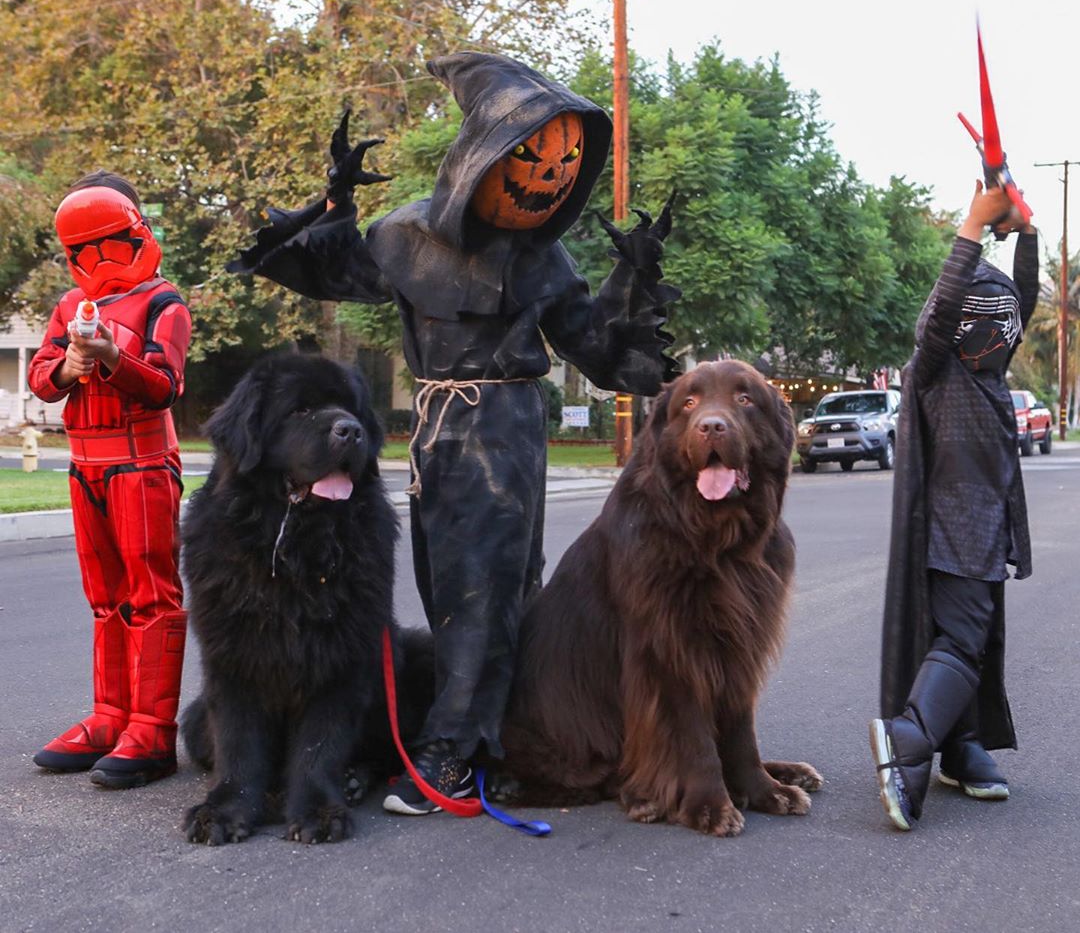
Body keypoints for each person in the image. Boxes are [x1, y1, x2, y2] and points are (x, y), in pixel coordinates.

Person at [227, 52, 680, 815]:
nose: (553, 172)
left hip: (502, 429)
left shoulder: (543, 258)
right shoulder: (406, 235)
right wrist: (332, 207)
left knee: (487, 594)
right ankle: (500, 732)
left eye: (569, 156)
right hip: (436, 431)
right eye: (534, 151)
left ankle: (455, 751)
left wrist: (630, 284)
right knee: (447, 591)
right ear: (483, 158)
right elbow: (332, 269)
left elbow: (601, 351)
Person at [870, 180, 1038, 830]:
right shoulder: (939, 371)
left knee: (973, 640)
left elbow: (1021, 292)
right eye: (982, 317)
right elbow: (942, 312)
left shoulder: (993, 376)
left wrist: (1024, 229)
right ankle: (908, 739)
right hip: (953, 530)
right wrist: (972, 224)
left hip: (988, 532)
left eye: (1004, 319)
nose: (998, 327)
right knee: (964, 642)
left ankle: (960, 748)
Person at [28, 171, 192, 789]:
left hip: (143, 464)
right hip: (87, 465)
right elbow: (41, 377)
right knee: (106, 598)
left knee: (151, 594)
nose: (100, 262)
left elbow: (164, 386)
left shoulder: (163, 302)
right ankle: (110, 716)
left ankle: (152, 729)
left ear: (137, 233)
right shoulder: (70, 307)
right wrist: (70, 363)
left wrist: (110, 357)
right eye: (85, 251)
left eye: (111, 245)